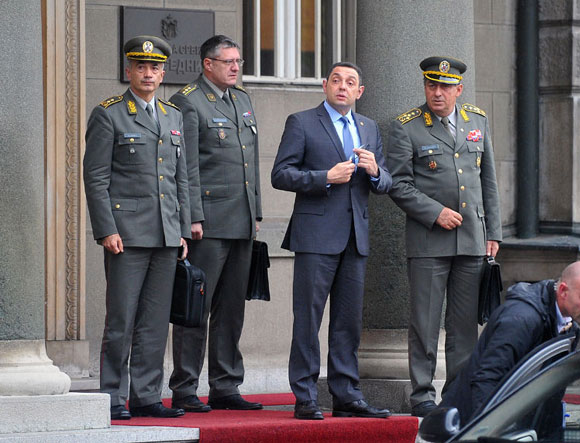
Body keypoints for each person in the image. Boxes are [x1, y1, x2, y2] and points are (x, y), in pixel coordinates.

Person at [272, 62, 393, 420]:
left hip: (355, 237)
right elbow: (281, 174)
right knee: (308, 320)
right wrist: (324, 176)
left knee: (348, 322)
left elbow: (386, 181)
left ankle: (346, 394)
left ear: (360, 91)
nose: (343, 86)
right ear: (325, 85)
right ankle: (306, 396)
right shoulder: (302, 122)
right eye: (336, 80)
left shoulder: (368, 127)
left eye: (350, 82)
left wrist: (375, 171)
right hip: (315, 236)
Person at [387, 56, 502, 417]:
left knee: (464, 327)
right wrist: (434, 212)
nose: (437, 93)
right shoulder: (406, 126)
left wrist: (493, 232)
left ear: (458, 90)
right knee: (424, 322)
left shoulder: (477, 121)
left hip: (472, 238)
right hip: (428, 241)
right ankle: (422, 394)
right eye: (431, 85)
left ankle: (457, 394)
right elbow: (398, 184)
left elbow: (488, 182)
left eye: (444, 87)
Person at [83, 35, 190, 420]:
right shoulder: (109, 114)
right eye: (141, 66)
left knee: (155, 322)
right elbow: (95, 177)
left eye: (155, 68)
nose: (148, 73)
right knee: (121, 320)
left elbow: (180, 177)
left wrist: (181, 228)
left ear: (163, 73)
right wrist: (106, 229)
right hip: (125, 235)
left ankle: (146, 396)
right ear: (128, 70)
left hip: (165, 234)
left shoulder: (173, 115)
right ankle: (113, 395)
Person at [167, 35, 262, 412]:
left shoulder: (242, 99)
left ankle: (225, 385)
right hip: (207, 223)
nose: (236, 67)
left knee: (232, 308)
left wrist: (256, 212)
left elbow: (250, 163)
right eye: (228, 62)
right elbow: (186, 166)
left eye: (238, 61)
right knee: (195, 308)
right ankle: (185, 387)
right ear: (208, 64)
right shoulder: (188, 101)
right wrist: (191, 216)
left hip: (240, 220)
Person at [440, 260, 580, 426]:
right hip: (464, 426)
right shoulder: (521, 319)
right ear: (563, 290)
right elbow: (487, 380)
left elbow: (551, 395)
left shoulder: (569, 326)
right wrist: (490, 432)